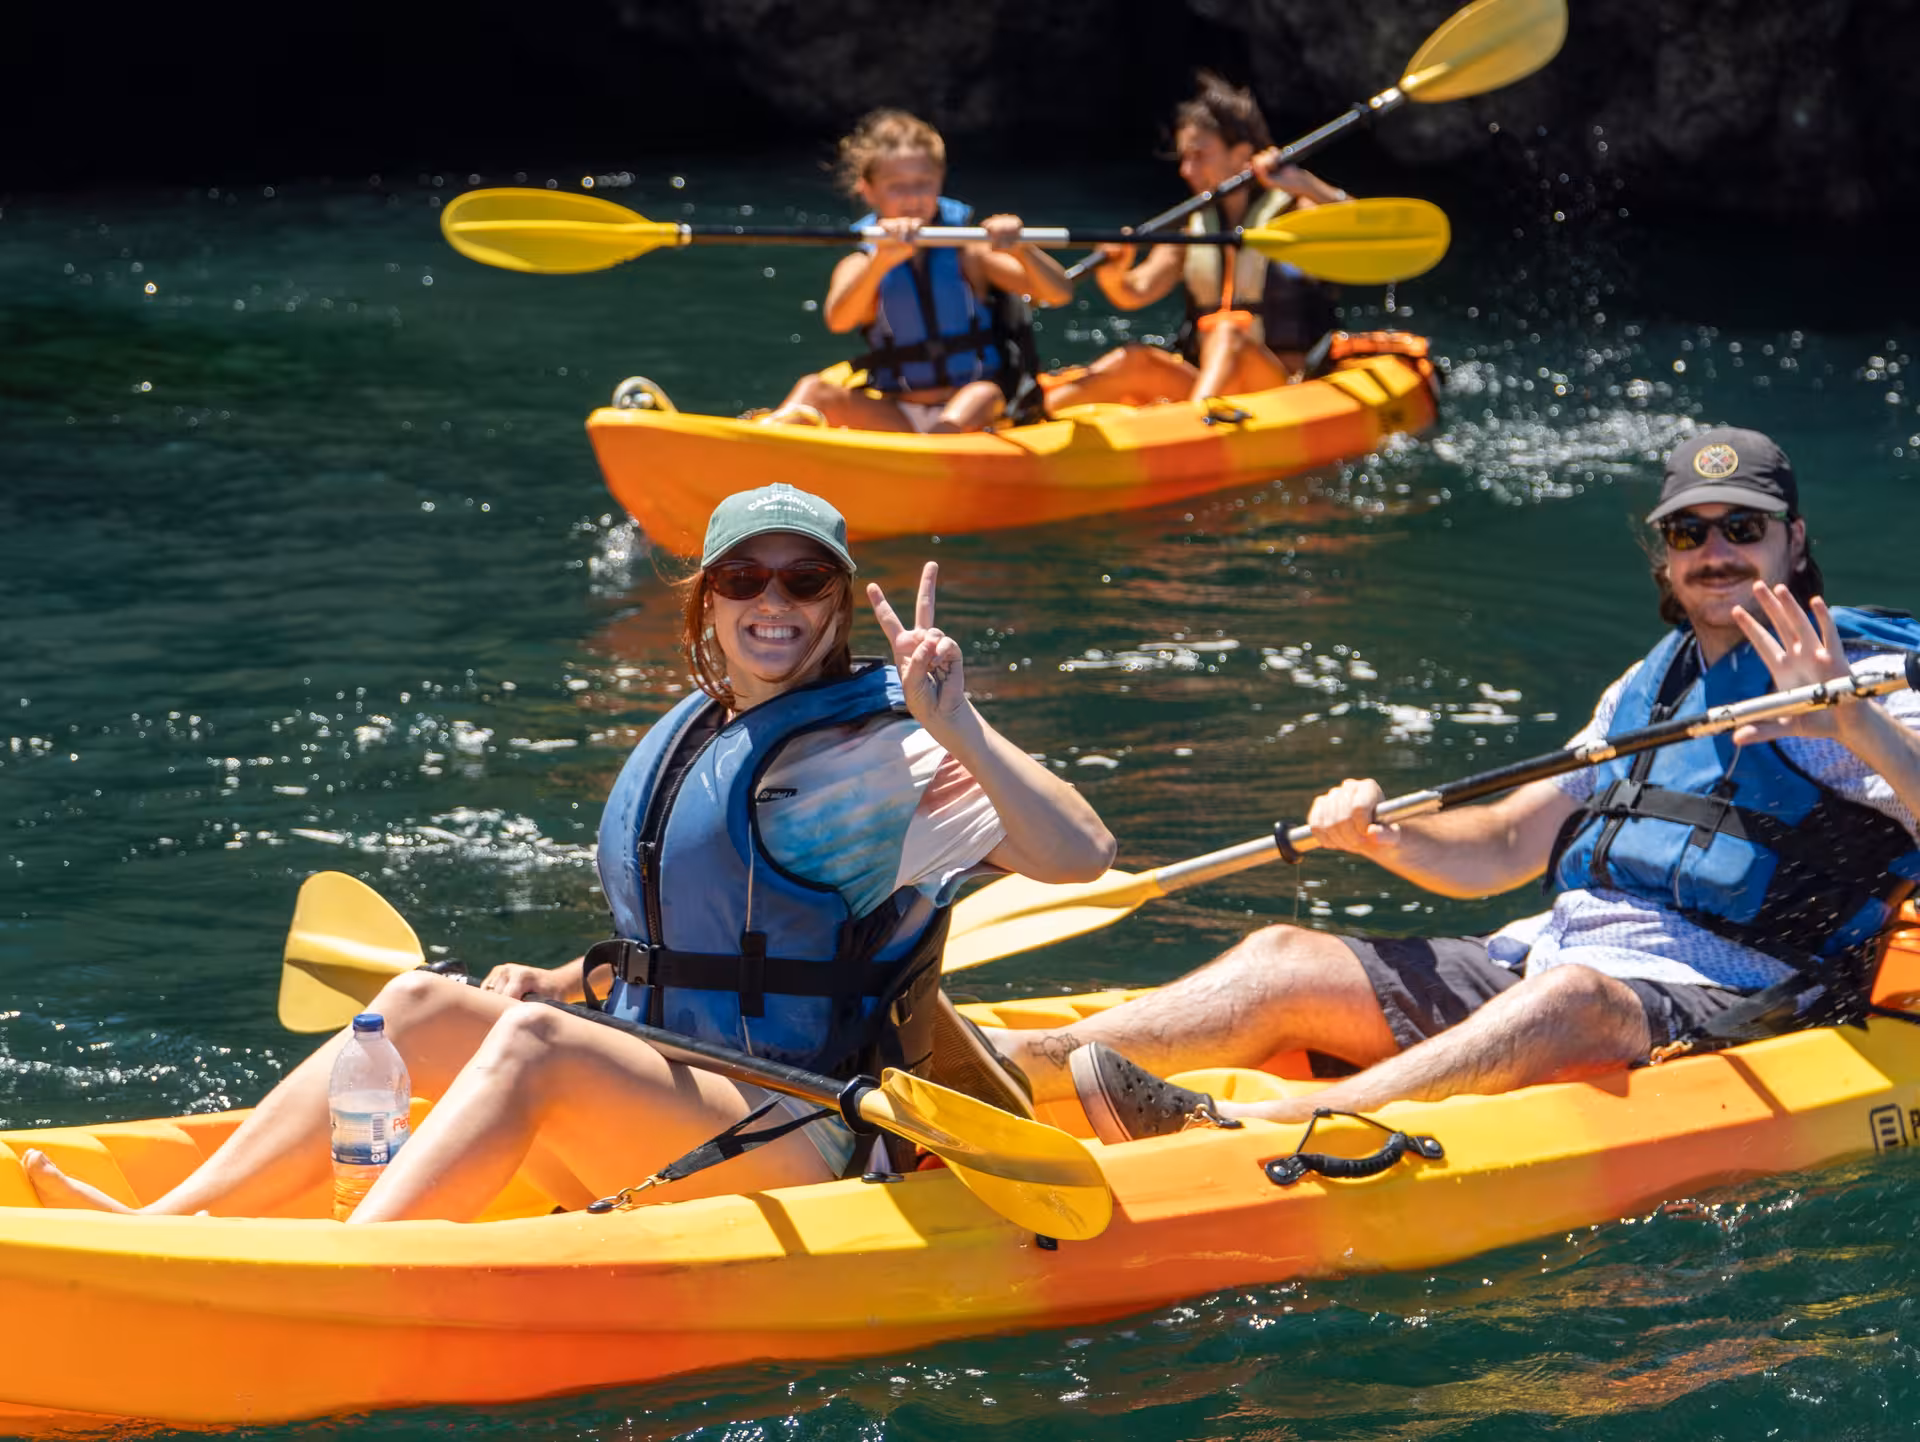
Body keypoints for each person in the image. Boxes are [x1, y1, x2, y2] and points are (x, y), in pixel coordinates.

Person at [26, 484, 1115, 1219]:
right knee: (412, 1006)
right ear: (709, 600)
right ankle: (168, 1224)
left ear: (837, 602)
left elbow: (1080, 852)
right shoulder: (711, 725)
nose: (772, 603)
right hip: (683, 1090)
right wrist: (570, 976)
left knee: (539, 1045)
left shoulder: (878, 752)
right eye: (744, 580)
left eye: (804, 581)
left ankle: (347, 1266)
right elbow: (698, 944)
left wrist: (957, 720)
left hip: (803, 1133)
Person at [982, 427, 1920, 1142]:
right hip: (1542, 955)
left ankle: (1267, 1129)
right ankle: (1004, 1071)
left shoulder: (1863, 678)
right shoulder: (1654, 679)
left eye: (1742, 527)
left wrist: (1856, 724)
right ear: (1666, 557)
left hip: (1723, 995)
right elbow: (1511, 843)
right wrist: (1389, 841)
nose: (1716, 549)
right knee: (1281, 957)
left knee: (1572, 1001)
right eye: (1689, 530)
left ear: (1792, 541)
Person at [1041, 73, 1351, 415]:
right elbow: (1134, 292)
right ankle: (1025, 420)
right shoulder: (1196, 229)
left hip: (1284, 387)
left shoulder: (1298, 213)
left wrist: (1305, 183)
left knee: (1228, 331)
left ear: (1241, 154)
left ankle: (1191, 423)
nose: (1186, 170)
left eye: (1199, 155)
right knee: (1136, 360)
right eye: (1184, 157)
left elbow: (1361, 236)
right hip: (1209, 382)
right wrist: (1115, 270)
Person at [764, 110, 1071, 434]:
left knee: (981, 395)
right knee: (814, 388)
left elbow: (1058, 293)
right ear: (869, 190)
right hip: (897, 411)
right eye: (897, 187)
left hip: (972, 409)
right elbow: (839, 320)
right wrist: (882, 262)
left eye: (923, 184)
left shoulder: (969, 250)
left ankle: (935, 450)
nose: (912, 197)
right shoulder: (861, 262)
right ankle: (767, 441)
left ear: (939, 180)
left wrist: (1022, 249)